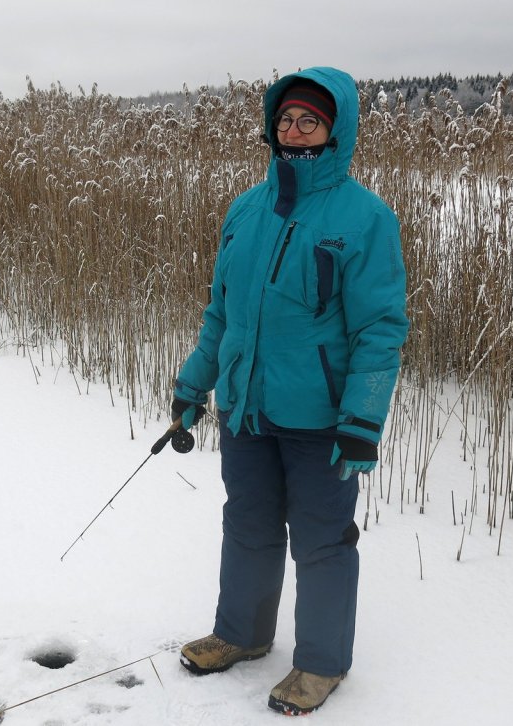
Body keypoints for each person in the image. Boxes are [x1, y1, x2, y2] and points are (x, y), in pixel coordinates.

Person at [171, 67, 408, 715]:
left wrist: (362, 420)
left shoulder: (365, 218)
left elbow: (380, 329)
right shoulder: (246, 209)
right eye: (286, 119)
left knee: (322, 541)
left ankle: (322, 665)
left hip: (319, 419)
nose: (295, 130)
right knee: (247, 524)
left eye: (310, 120)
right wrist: (193, 387)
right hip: (245, 409)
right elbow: (221, 313)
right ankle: (242, 634)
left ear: (336, 130)